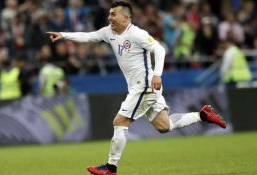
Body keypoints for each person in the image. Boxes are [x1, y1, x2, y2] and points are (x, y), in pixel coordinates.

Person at [47, 2, 226, 175]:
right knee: (164, 126)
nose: (109, 17)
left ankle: (110, 168)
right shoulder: (108, 32)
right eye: (109, 14)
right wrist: (63, 34)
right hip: (140, 87)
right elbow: (88, 36)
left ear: (126, 17)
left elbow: (160, 49)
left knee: (119, 122)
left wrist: (157, 74)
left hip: (145, 86)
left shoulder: (137, 34)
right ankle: (203, 115)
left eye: (113, 14)